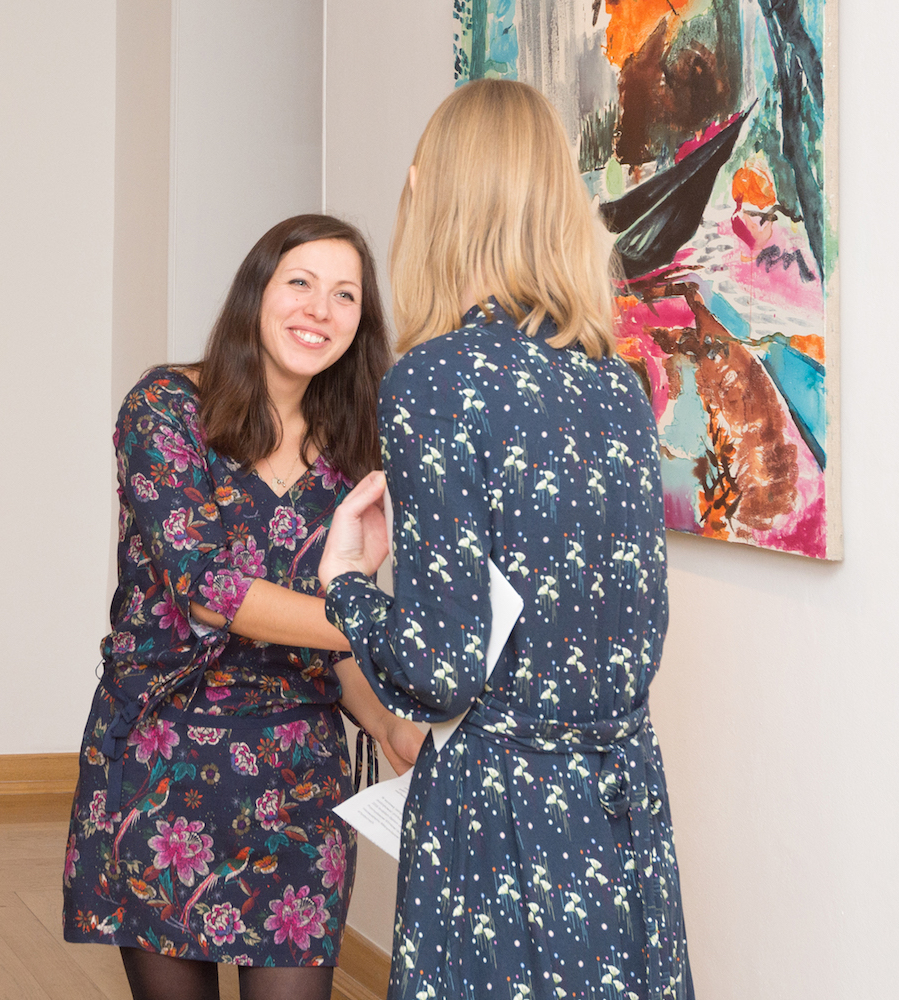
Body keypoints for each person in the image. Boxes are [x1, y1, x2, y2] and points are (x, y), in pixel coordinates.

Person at [318, 80, 695, 999]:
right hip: (622, 803)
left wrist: (348, 585)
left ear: (427, 192)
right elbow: (636, 626)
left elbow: (440, 669)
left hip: (504, 817)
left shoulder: (433, 382)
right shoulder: (615, 384)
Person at [64, 214, 425, 1000]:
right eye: (300, 283)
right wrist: (382, 626)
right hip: (162, 762)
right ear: (257, 292)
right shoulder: (165, 408)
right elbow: (207, 587)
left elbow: (326, 635)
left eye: (345, 295)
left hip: (300, 778)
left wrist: (389, 724)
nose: (319, 309)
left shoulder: (354, 450)